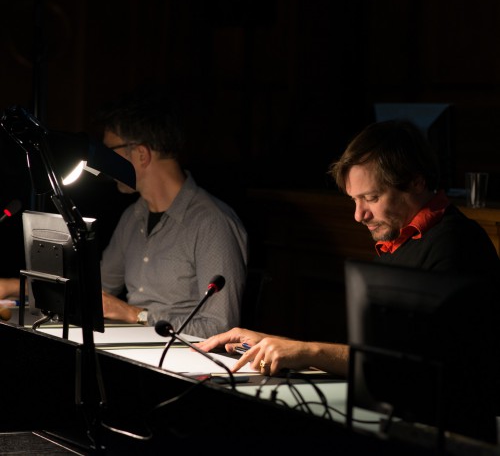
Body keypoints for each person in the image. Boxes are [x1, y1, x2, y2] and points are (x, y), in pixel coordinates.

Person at [197, 119, 500, 376]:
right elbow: (374, 355)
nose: (358, 215)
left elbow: (417, 366)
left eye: (371, 198)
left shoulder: (457, 244)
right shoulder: (398, 241)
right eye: (354, 200)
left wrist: (307, 351)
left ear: (416, 183)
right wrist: (270, 343)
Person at [0, 86, 249, 338]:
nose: (104, 163)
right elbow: (92, 289)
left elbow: (221, 327)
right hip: (135, 348)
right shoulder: (133, 216)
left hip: (180, 357)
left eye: (110, 151)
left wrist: (136, 315)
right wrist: (10, 287)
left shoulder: (212, 222)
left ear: (141, 154)